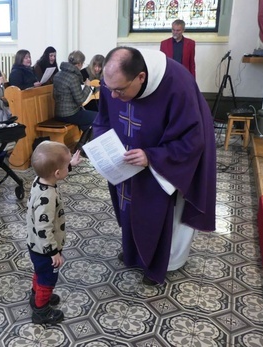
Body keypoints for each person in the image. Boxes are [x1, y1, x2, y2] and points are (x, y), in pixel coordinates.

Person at [93, 46, 216, 285]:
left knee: (160, 211)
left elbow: (192, 140)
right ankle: (133, 251)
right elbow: (104, 119)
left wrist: (152, 157)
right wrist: (102, 146)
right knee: (129, 201)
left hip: (167, 164)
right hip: (128, 161)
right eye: (109, 89)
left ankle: (160, 263)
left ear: (141, 77)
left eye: (119, 90)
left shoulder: (178, 84)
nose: (114, 96)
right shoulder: (113, 83)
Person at [27, 141, 81, 324]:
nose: (68, 168)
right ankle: (41, 311)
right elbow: (44, 229)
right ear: (57, 173)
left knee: (39, 272)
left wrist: (69, 165)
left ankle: (36, 297)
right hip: (45, 248)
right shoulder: (47, 198)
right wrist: (53, 253)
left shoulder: (39, 179)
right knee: (48, 278)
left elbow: (55, 172)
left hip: (34, 244)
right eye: (66, 166)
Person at [53, 50, 97, 132]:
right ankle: (85, 143)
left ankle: (82, 142)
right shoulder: (73, 77)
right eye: (83, 63)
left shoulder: (58, 74)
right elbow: (80, 100)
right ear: (79, 64)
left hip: (58, 113)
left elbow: (54, 96)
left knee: (87, 123)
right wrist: (87, 86)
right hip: (70, 114)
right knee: (98, 117)